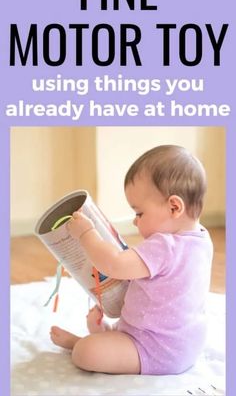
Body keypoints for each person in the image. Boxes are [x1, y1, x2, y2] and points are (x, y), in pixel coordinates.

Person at [50, 145, 213, 375]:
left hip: (155, 347)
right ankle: (108, 336)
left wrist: (86, 233)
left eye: (139, 213)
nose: (136, 222)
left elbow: (114, 264)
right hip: (182, 343)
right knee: (110, 336)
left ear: (174, 207)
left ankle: (81, 343)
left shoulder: (164, 246)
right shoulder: (201, 239)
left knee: (86, 352)